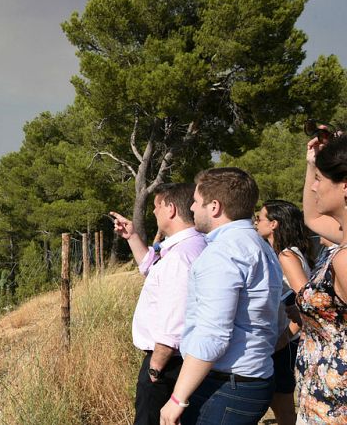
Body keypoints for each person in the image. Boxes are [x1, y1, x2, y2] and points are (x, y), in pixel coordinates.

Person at [159, 167, 283, 425]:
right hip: (254, 378)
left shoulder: (222, 254)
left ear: (214, 206)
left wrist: (177, 399)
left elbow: (212, 335)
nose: (191, 209)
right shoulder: (260, 246)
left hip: (229, 385)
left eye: (195, 201)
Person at [110, 183, 206, 425]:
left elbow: (174, 321)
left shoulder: (179, 256)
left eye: (157, 206)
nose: (153, 212)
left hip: (167, 364)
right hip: (184, 360)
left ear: (170, 209)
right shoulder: (194, 244)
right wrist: (131, 236)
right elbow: (152, 269)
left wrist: (154, 369)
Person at [294, 133, 347, 423]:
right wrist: (313, 163)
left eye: (321, 179)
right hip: (320, 398)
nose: (314, 185)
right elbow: (312, 218)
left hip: (335, 406)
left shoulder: (344, 258)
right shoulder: (340, 239)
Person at [254, 200, 312, 425]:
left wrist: (284, 338)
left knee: (284, 409)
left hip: (285, 342)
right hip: (284, 341)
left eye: (260, 218)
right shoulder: (285, 253)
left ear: (274, 224)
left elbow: (305, 304)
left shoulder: (286, 256)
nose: (256, 222)